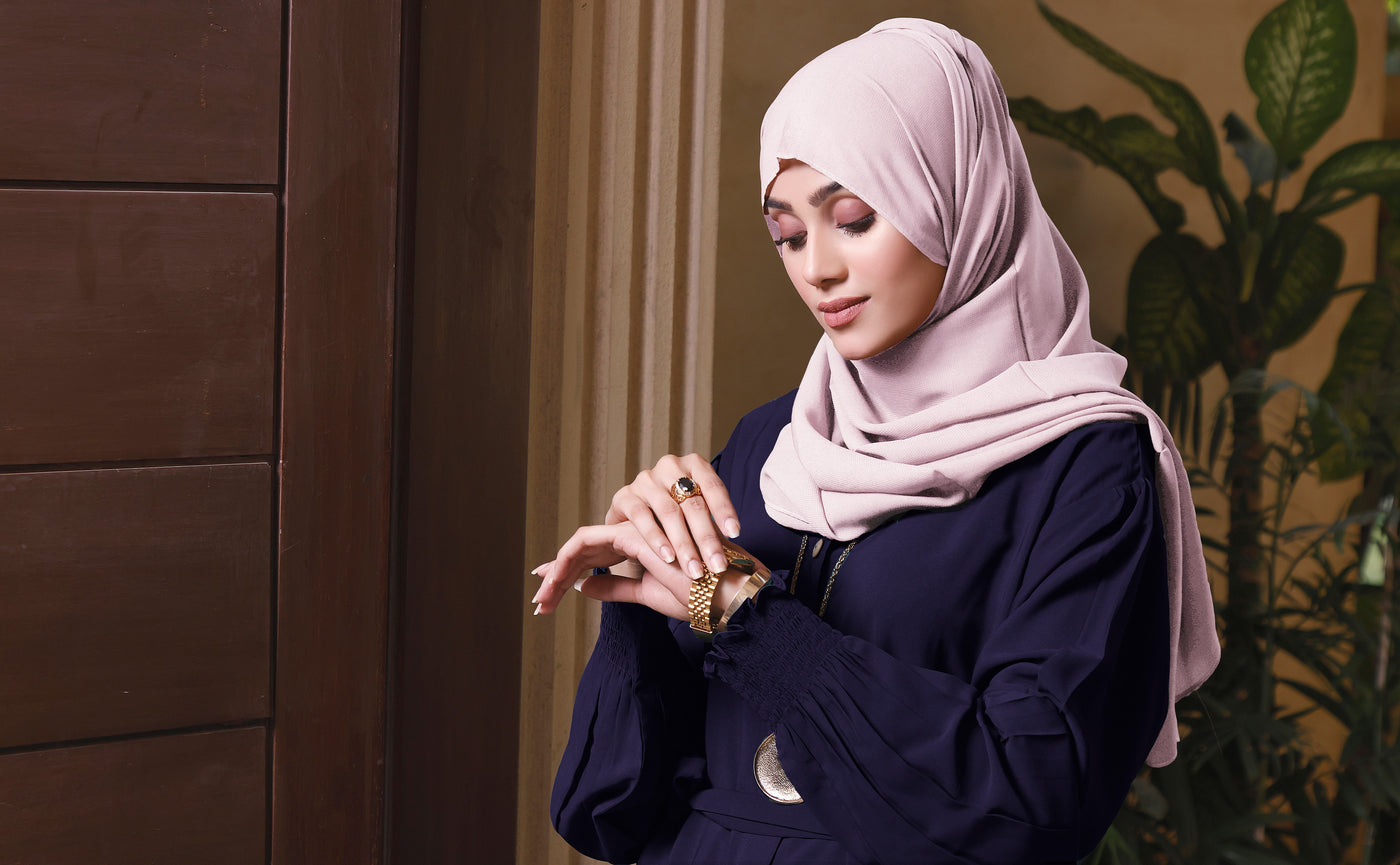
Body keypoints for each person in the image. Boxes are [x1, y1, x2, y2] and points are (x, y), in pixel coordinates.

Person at [530, 18, 1219, 865]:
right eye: (788, 234)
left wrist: (745, 610)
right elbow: (605, 809)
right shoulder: (773, 442)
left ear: (960, 197)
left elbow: (1033, 806)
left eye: (852, 218)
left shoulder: (1087, 463)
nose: (816, 267)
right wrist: (649, 583)